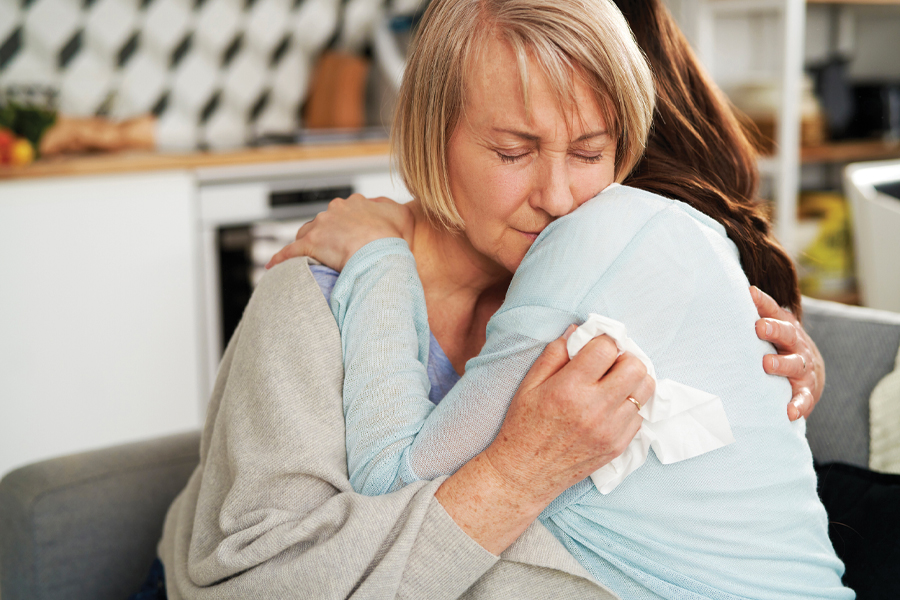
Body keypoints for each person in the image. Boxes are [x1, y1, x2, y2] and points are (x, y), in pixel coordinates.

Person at [149, 0, 828, 598]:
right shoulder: (314, 297)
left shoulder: (600, 284)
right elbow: (251, 584)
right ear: (431, 136)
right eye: (512, 153)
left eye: (590, 154)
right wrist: (517, 472)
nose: (558, 199)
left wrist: (772, 370)